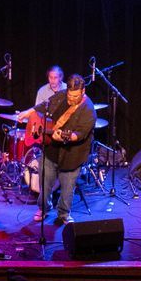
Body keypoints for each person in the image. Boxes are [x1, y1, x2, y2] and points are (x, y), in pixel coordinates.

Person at [38, 75, 95, 227]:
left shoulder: (89, 109)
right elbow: (44, 107)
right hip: (51, 150)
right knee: (44, 184)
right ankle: (43, 209)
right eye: (70, 95)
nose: (71, 98)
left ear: (83, 91)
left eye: (75, 96)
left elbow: (80, 134)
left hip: (73, 155)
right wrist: (28, 113)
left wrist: (66, 137)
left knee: (68, 188)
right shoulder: (61, 96)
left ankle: (63, 214)